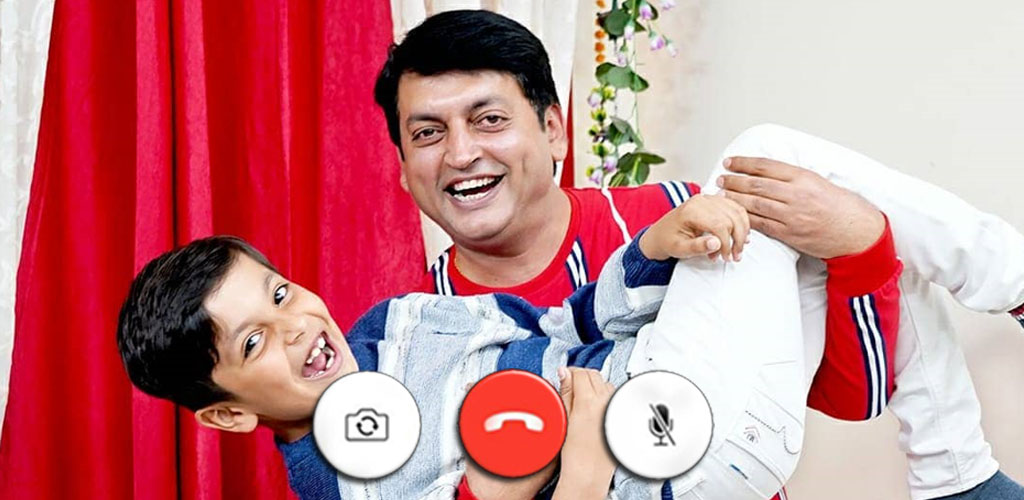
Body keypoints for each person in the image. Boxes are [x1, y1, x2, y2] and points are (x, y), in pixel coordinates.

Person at [372, 9, 1024, 499]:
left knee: (802, 180)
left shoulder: (679, 217)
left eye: (488, 119)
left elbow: (852, 395)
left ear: (553, 131)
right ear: (402, 168)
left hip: (742, 458)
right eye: (428, 133)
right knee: (771, 152)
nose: (461, 153)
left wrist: (859, 240)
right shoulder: (419, 338)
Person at [117, 187, 902, 499]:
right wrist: (585, 466)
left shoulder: (398, 322)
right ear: (227, 413)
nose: (296, 328)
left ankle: (953, 450)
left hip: (676, 381)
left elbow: (558, 328)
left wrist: (651, 250)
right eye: (254, 343)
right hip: (670, 452)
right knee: (767, 178)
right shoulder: (340, 480)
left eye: (280, 294)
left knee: (795, 211)